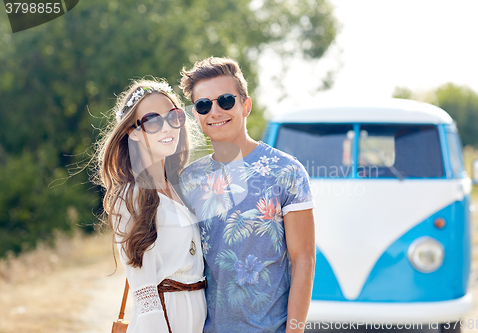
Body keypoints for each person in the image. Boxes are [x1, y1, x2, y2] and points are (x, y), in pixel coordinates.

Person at [179, 57, 316, 332]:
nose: (215, 111)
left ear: (245, 105)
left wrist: (295, 330)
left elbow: (304, 258)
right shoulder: (189, 180)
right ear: (196, 114)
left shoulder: (286, 171)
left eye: (225, 100)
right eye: (204, 105)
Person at [94, 79, 207, 333]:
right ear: (133, 131)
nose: (167, 128)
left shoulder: (180, 187)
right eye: (153, 121)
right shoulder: (132, 196)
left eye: (173, 117)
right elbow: (144, 295)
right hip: (163, 322)